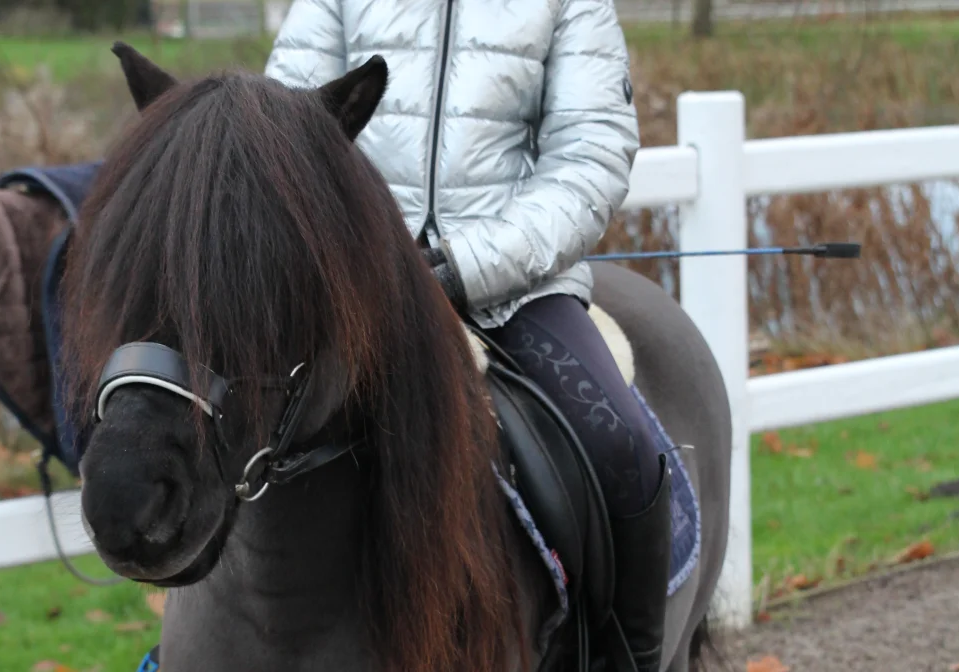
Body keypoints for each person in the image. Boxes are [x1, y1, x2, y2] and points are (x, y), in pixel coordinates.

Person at [264, 1, 670, 670]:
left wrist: (466, 264)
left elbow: (590, 155)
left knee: (619, 444)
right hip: (349, 289)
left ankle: (627, 658)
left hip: (511, 290)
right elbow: (277, 135)